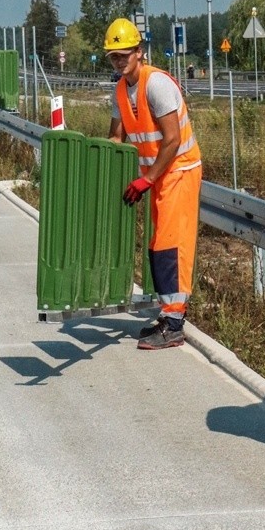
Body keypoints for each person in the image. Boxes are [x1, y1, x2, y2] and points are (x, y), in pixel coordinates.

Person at [105, 18, 202, 350]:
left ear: (139, 52)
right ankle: (168, 312)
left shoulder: (157, 85)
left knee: (170, 246)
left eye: (125, 54)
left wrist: (146, 178)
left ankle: (174, 322)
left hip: (179, 170)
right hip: (159, 175)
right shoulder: (119, 91)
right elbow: (116, 136)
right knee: (157, 246)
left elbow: (172, 140)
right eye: (113, 56)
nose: (119, 61)